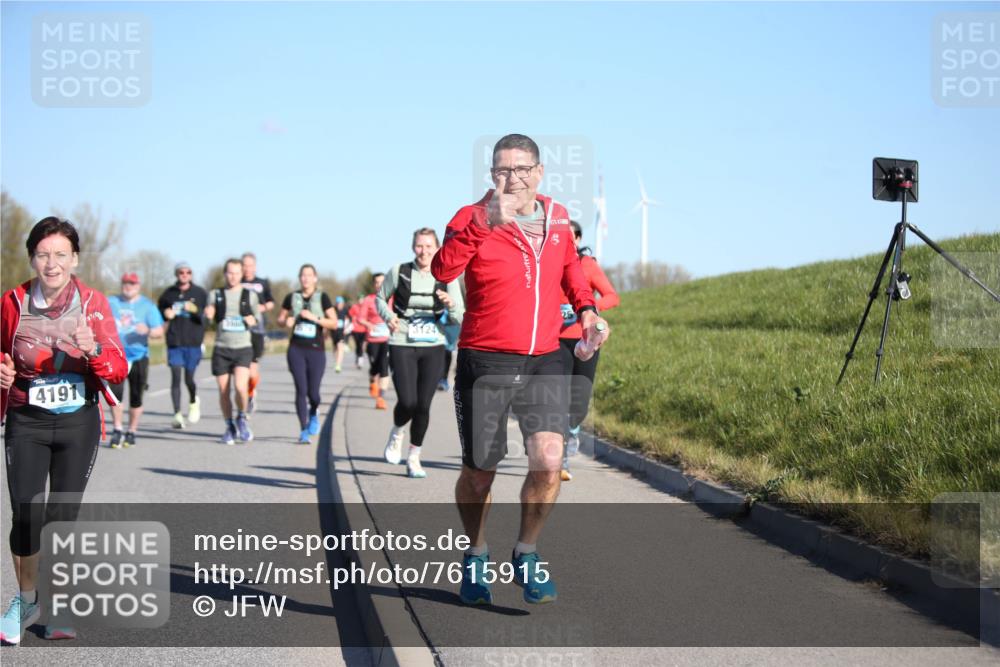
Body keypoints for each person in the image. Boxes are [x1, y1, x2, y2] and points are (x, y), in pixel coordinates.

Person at [432, 134, 608, 606]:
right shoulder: (469, 217)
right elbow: (443, 270)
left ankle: (527, 552)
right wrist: (484, 224)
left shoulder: (558, 217)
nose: (513, 179)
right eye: (502, 171)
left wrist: (586, 309)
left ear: (539, 172)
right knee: (480, 474)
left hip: (546, 356)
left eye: (521, 169)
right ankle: (475, 553)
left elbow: (571, 268)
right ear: (492, 175)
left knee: (550, 460)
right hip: (486, 359)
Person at [1, 217, 127, 643]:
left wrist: (92, 349)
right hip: (26, 419)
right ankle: (28, 598)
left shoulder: (93, 303)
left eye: (60, 255)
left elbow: (118, 368)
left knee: (61, 516)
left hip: (78, 421)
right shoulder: (12, 301)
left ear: (74, 259)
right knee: (25, 515)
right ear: (32, 258)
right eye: (42, 254)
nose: (51, 263)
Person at [377, 228, 464, 478]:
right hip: (402, 340)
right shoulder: (399, 272)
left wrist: (451, 304)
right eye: (419, 246)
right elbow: (380, 299)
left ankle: (414, 457)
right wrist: (389, 316)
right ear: (413, 247)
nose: (424, 251)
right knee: (407, 401)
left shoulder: (447, 276)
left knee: (423, 405)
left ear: (437, 248)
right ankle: (396, 432)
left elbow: (459, 315)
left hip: (433, 344)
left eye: (428, 246)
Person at [558, 221, 619, 481]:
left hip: (584, 341)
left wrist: (587, 308)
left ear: (579, 238)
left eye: (571, 237)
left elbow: (612, 296)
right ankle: (560, 457)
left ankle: (573, 431)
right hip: (554, 340)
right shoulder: (550, 263)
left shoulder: (588, 266)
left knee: (579, 402)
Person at [277, 264, 339, 443]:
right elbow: (281, 319)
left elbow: (334, 323)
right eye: (303, 275)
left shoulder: (323, 297)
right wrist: (285, 321)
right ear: (299, 278)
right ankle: (303, 429)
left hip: (316, 350)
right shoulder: (292, 297)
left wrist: (315, 318)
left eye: (309, 275)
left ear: (315, 278)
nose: (305, 278)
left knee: (314, 394)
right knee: (300, 390)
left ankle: (313, 412)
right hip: (296, 349)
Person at [107, 272, 165, 449]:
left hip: (139, 356)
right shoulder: (111, 302)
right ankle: (117, 429)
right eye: (125, 283)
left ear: (138, 286)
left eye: (132, 283)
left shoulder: (147, 306)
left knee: (136, 397)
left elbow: (159, 331)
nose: (128, 286)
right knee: (114, 396)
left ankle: (131, 430)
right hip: (116, 355)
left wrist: (147, 330)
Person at [205, 258, 260, 444]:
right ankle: (229, 426)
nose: (233, 276)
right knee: (223, 390)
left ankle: (242, 417)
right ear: (225, 274)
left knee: (240, 387)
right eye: (230, 272)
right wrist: (209, 313)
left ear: (242, 274)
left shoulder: (249, 295)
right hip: (221, 348)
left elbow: (257, 318)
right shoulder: (216, 294)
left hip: (242, 348)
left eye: (236, 273)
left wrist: (253, 320)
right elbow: (210, 311)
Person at [157, 261, 209, 429]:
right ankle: (177, 414)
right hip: (174, 342)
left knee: (189, 379)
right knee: (176, 377)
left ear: (191, 274)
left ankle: (194, 401)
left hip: (193, 342)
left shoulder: (200, 293)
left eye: (188, 272)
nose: (184, 274)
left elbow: (206, 319)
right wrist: (165, 314)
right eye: (181, 272)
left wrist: (195, 310)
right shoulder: (168, 294)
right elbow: (159, 314)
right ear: (177, 274)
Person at [240, 252, 275, 413]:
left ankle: (252, 391)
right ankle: (244, 395)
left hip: (257, 329)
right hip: (239, 330)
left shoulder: (262, 283)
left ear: (255, 266)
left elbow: (271, 302)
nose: (247, 268)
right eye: (244, 265)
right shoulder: (236, 282)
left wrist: (262, 307)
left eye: (250, 265)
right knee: (242, 367)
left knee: (253, 370)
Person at [357, 274, 391, 410]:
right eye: (377, 282)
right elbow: (360, 318)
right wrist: (369, 325)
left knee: (384, 367)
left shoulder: (392, 298)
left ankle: (381, 398)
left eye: (382, 282)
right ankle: (372, 380)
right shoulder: (368, 300)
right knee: (375, 367)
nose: (379, 285)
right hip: (372, 339)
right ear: (374, 285)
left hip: (387, 339)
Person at [348, 297, 368, 369]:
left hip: (364, 329)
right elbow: (349, 315)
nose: (361, 301)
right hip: (355, 329)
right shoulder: (354, 307)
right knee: (357, 345)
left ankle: (360, 359)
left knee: (361, 344)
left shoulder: (366, 307)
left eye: (362, 299)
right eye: (359, 299)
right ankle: (358, 356)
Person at [331, 295, 349, 373]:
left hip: (341, 332)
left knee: (340, 346)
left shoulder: (345, 310)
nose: (339, 305)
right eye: (338, 303)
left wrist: (346, 327)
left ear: (343, 303)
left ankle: (338, 364)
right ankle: (337, 362)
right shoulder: (333, 310)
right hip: (333, 332)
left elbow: (350, 319)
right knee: (335, 348)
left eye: (340, 303)